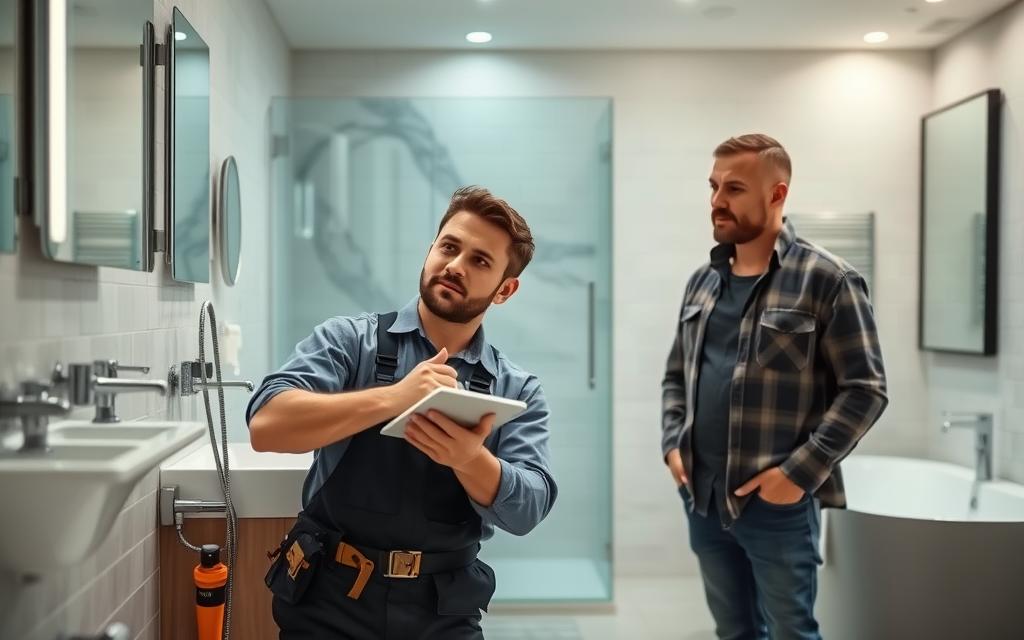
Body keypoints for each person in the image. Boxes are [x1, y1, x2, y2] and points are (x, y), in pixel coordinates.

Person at [249, 186, 557, 639]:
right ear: (430, 250)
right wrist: (395, 398)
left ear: (505, 290)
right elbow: (267, 426)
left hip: (443, 613)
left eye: (480, 261)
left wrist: (469, 459)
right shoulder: (349, 342)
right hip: (328, 600)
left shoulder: (516, 389)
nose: (456, 266)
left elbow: (529, 508)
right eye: (449, 247)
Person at [661, 134, 888, 639]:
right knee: (733, 632)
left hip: (778, 506)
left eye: (735, 188)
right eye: (714, 186)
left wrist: (797, 474)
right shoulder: (702, 281)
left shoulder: (829, 279)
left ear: (777, 194)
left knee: (791, 633)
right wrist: (673, 445)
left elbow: (867, 389)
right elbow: (676, 376)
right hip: (703, 497)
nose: (717, 201)